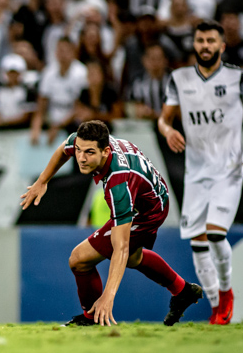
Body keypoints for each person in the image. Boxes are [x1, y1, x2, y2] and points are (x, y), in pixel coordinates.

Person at [20, 120, 203, 327]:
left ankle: (91, 317)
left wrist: (108, 296)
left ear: (106, 151)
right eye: (79, 150)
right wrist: (42, 181)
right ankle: (183, 290)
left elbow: (121, 247)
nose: (81, 158)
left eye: (89, 153)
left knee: (79, 260)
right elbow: (64, 148)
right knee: (134, 259)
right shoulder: (87, 142)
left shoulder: (119, 183)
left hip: (146, 211)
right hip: (151, 194)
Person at [158, 20, 243, 324]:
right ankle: (216, 306)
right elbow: (163, 119)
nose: (205, 46)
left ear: (222, 45)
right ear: (194, 44)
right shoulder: (178, 79)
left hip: (229, 170)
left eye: (211, 41)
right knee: (197, 240)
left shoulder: (239, 78)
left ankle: (227, 293)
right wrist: (168, 130)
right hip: (195, 172)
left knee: (216, 234)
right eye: (200, 41)